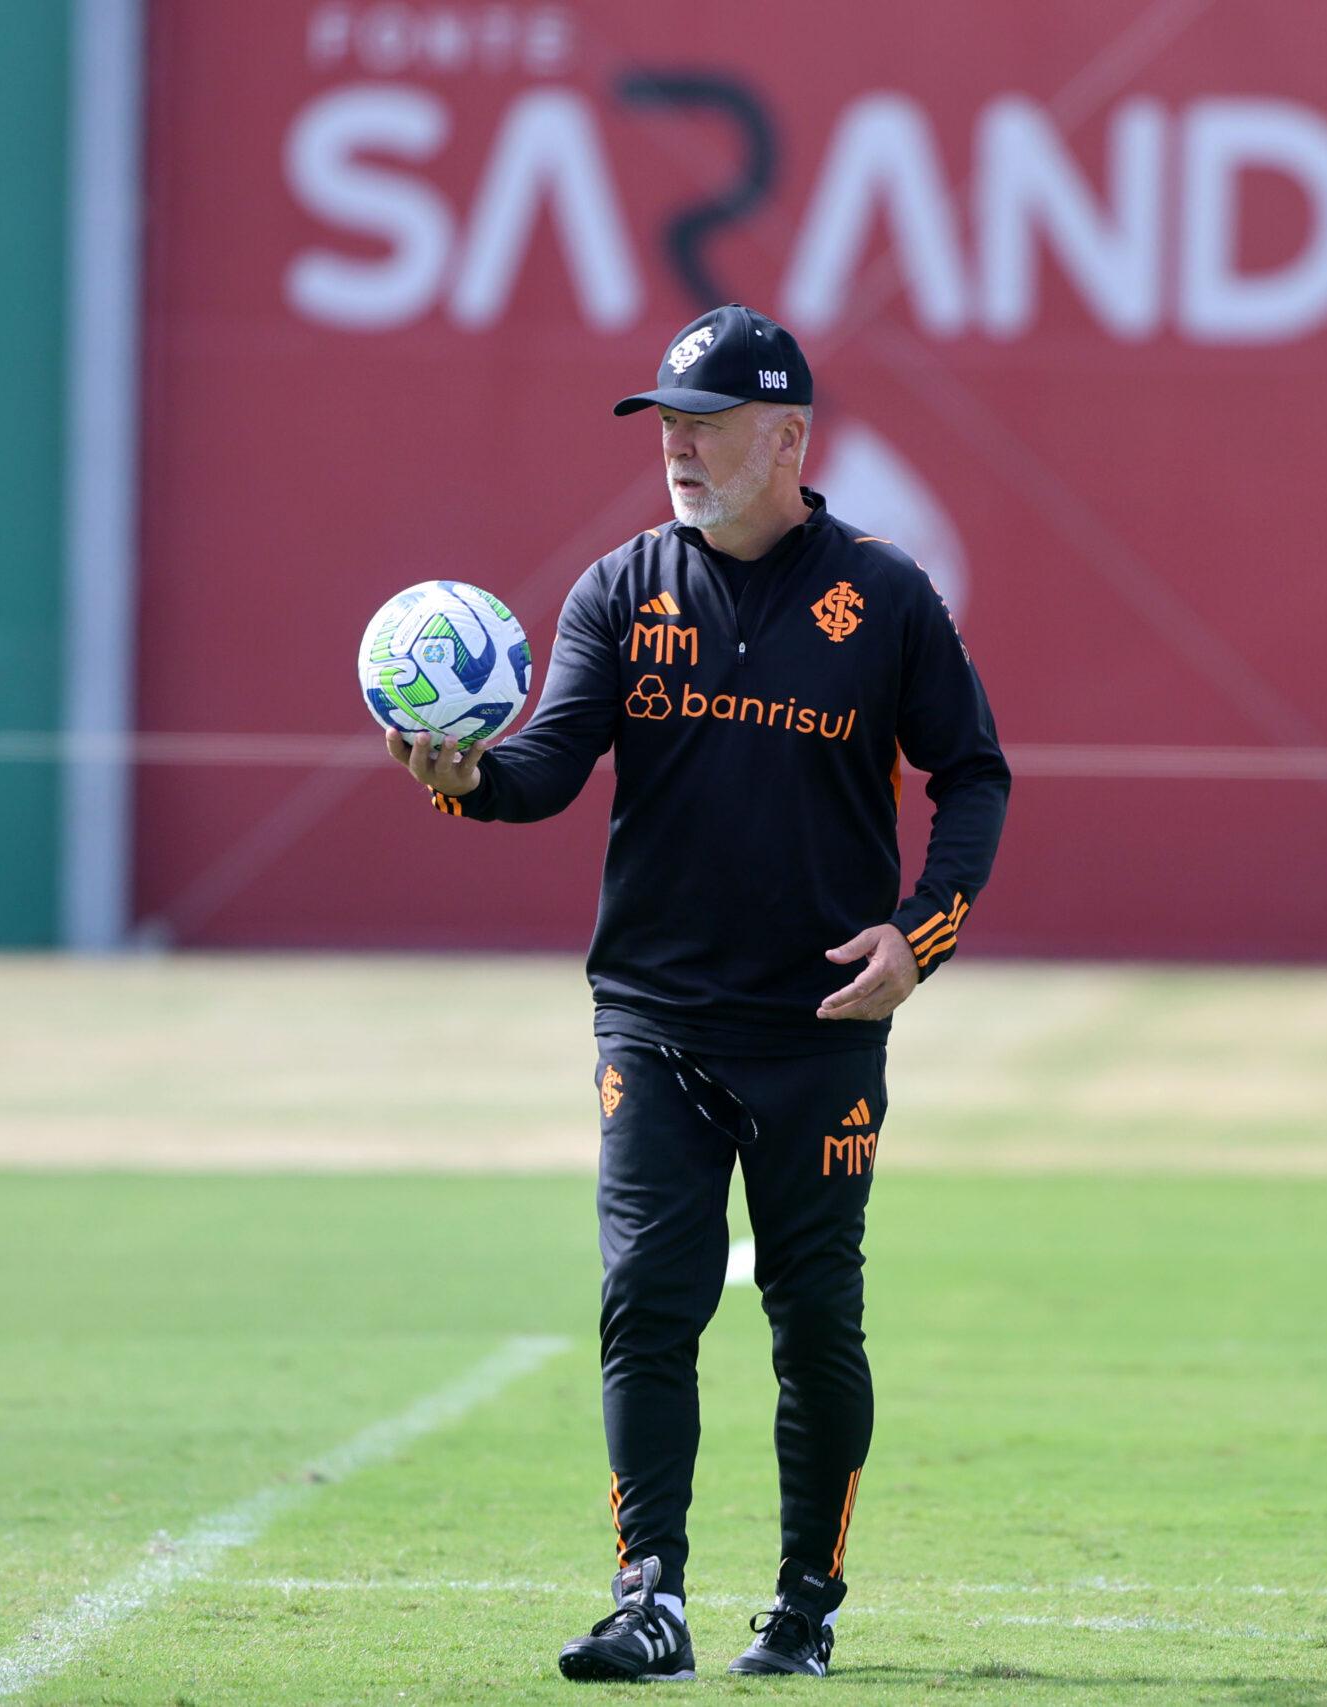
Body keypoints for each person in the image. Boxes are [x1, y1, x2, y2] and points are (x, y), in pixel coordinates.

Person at [385, 303, 1009, 1681]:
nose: (677, 447)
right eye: (665, 423)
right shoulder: (622, 588)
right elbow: (544, 767)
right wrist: (468, 782)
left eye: (706, 425)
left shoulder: (887, 595)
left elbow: (975, 774)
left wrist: (923, 935)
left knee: (811, 1320)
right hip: (655, 1020)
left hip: (820, 1029)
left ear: (786, 437)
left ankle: (806, 1603)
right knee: (649, 1300)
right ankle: (649, 1594)